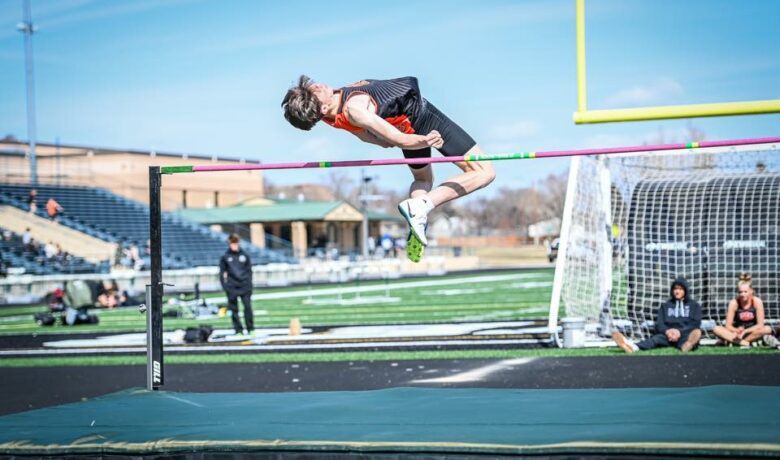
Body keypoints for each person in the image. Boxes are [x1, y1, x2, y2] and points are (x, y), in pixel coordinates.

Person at [282, 76, 495, 261]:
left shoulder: (332, 115)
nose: (317, 85)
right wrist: (425, 140)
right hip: (422, 121)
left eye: (312, 86)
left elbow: (366, 135)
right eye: (315, 91)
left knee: (422, 180)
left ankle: (417, 220)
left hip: (407, 121)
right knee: (484, 172)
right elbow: (399, 139)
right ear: (323, 108)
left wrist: (381, 140)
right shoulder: (355, 109)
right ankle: (423, 206)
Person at [612, 277, 702, 353]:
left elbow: (695, 323)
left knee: (692, 335)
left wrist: (679, 332)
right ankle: (632, 346)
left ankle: (688, 345)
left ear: (685, 290)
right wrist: (668, 332)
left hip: (684, 334)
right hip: (668, 335)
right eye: (675, 289)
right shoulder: (666, 305)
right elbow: (659, 323)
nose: (677, 291)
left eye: (680, 289)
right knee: (655, 339)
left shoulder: (694, 305)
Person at [713, 273, 777, 348]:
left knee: (767, 329)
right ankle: (745, 343)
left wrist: (745, 331)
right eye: (740, 292)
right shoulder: (734, 303)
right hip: (736, 333)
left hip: (752, 332)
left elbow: (760, 325)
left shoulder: (757, 302)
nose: (742, 294)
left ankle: (736, 342)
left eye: (745, 292)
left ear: (751, 291)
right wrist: (737, 330)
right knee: (716, 328)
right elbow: (728, 325)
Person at [219, 233, 254, 336]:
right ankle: (238, 330)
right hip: (232, 287)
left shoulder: (245, 256)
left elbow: (249, 271)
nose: (234, 246)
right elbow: (222, 273)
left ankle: (251, 328)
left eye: (235, 243)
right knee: (234, 310)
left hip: (244, 286)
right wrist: (225, 287)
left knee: (247, 308)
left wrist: (249, 285)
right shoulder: (225, 257)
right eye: (232, 243)